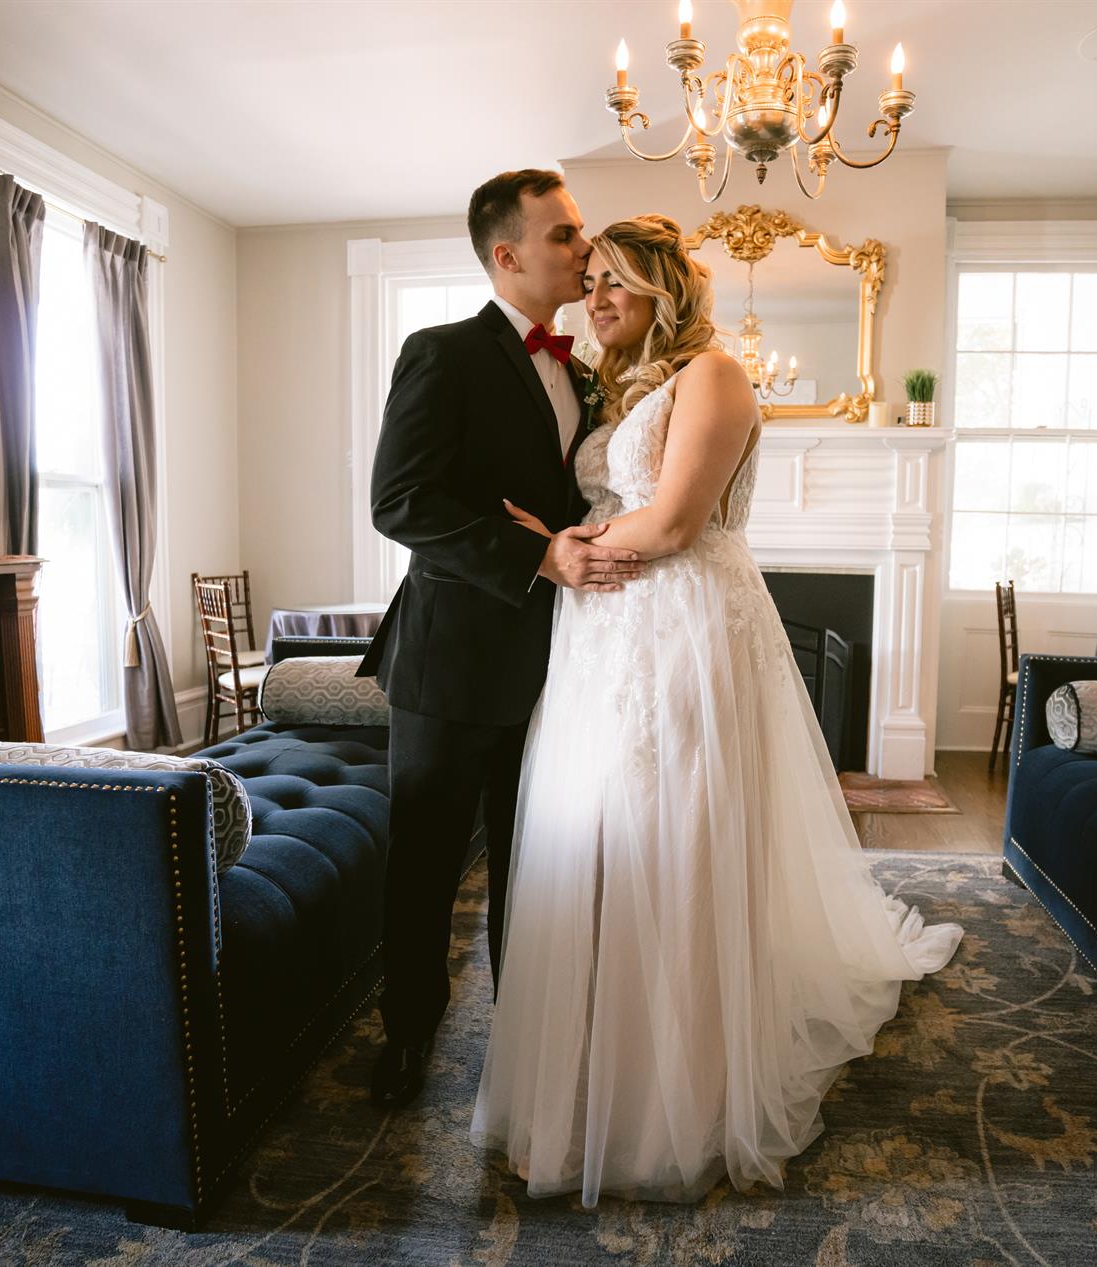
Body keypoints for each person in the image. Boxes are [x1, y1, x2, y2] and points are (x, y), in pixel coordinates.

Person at [471, 215, 962, 1206]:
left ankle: (676, 1101)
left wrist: (557, 548)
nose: (596, 298)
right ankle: (584, 1081)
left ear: (666, 288)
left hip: (684, 626)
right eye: (589, 281)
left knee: (674, 837)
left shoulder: (716, 375)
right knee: (600, 843)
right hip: (600, 636)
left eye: (617, 281)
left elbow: (674, 521)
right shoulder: (612, 388)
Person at [359, 170, 641, 1110]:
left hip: (558, 663)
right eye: (565, 235)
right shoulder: (441, 353)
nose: (584, 249)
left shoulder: (590, 373)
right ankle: (408, 1033)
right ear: (507, 254)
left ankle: (527, 1043)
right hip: (449, 661)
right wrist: (536, 554)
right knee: (425, 863)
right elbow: (400, 501)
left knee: (536, 862)